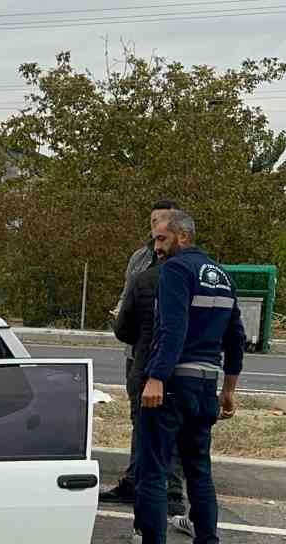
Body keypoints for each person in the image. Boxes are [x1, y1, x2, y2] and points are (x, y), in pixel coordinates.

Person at [114, 209, 246, 544]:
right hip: (206, 385)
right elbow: (236, 337)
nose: (156, 247)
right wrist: (229, 389)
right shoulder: (221, 276)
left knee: (153, 470)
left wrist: (155, 378)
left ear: (182, 238)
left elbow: (171, 329)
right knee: (199, 472)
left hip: (172, 384)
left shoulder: (175, 272)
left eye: (161, 239)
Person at [102, 200, 186, 521]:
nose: (157, 227)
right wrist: (120, 314)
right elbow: (128, 298)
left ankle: (173, 492)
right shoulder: (139, 258)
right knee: (138, 419)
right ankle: (133, 481)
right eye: (153, 220)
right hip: (135, 353)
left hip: (167, 358)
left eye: (163, 221)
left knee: (171, 425)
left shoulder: (184, 263)